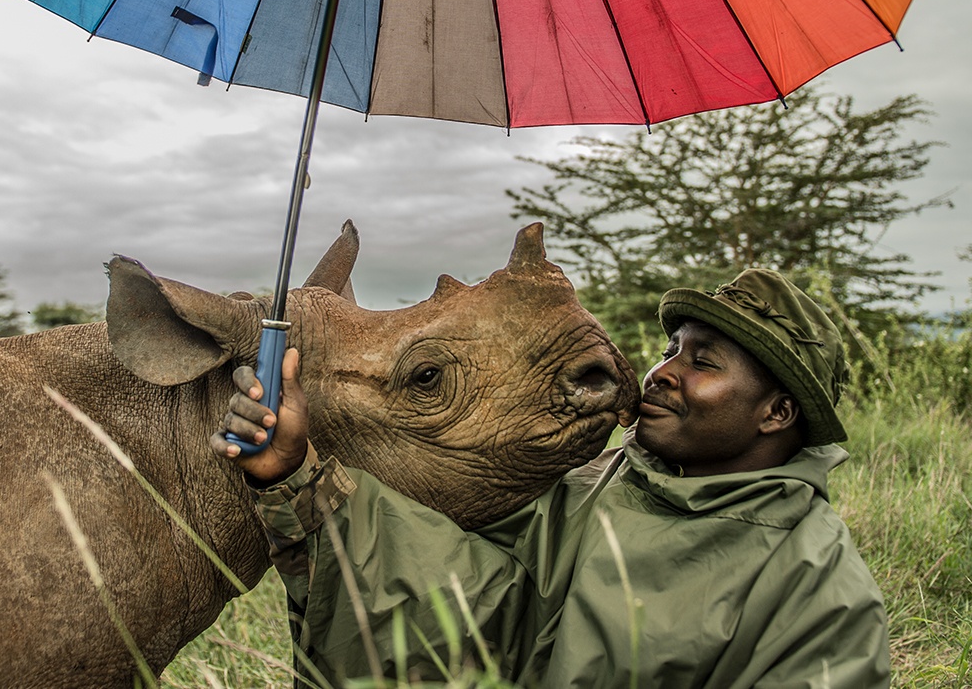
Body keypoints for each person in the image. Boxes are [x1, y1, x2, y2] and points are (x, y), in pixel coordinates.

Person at [211, 269, 891, 688]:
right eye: (670, 351)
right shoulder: (593, 485)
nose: (661, 373)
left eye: (703, 363)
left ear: (777, 412)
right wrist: (299, 474)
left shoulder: (819, 589)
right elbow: (469, 602)